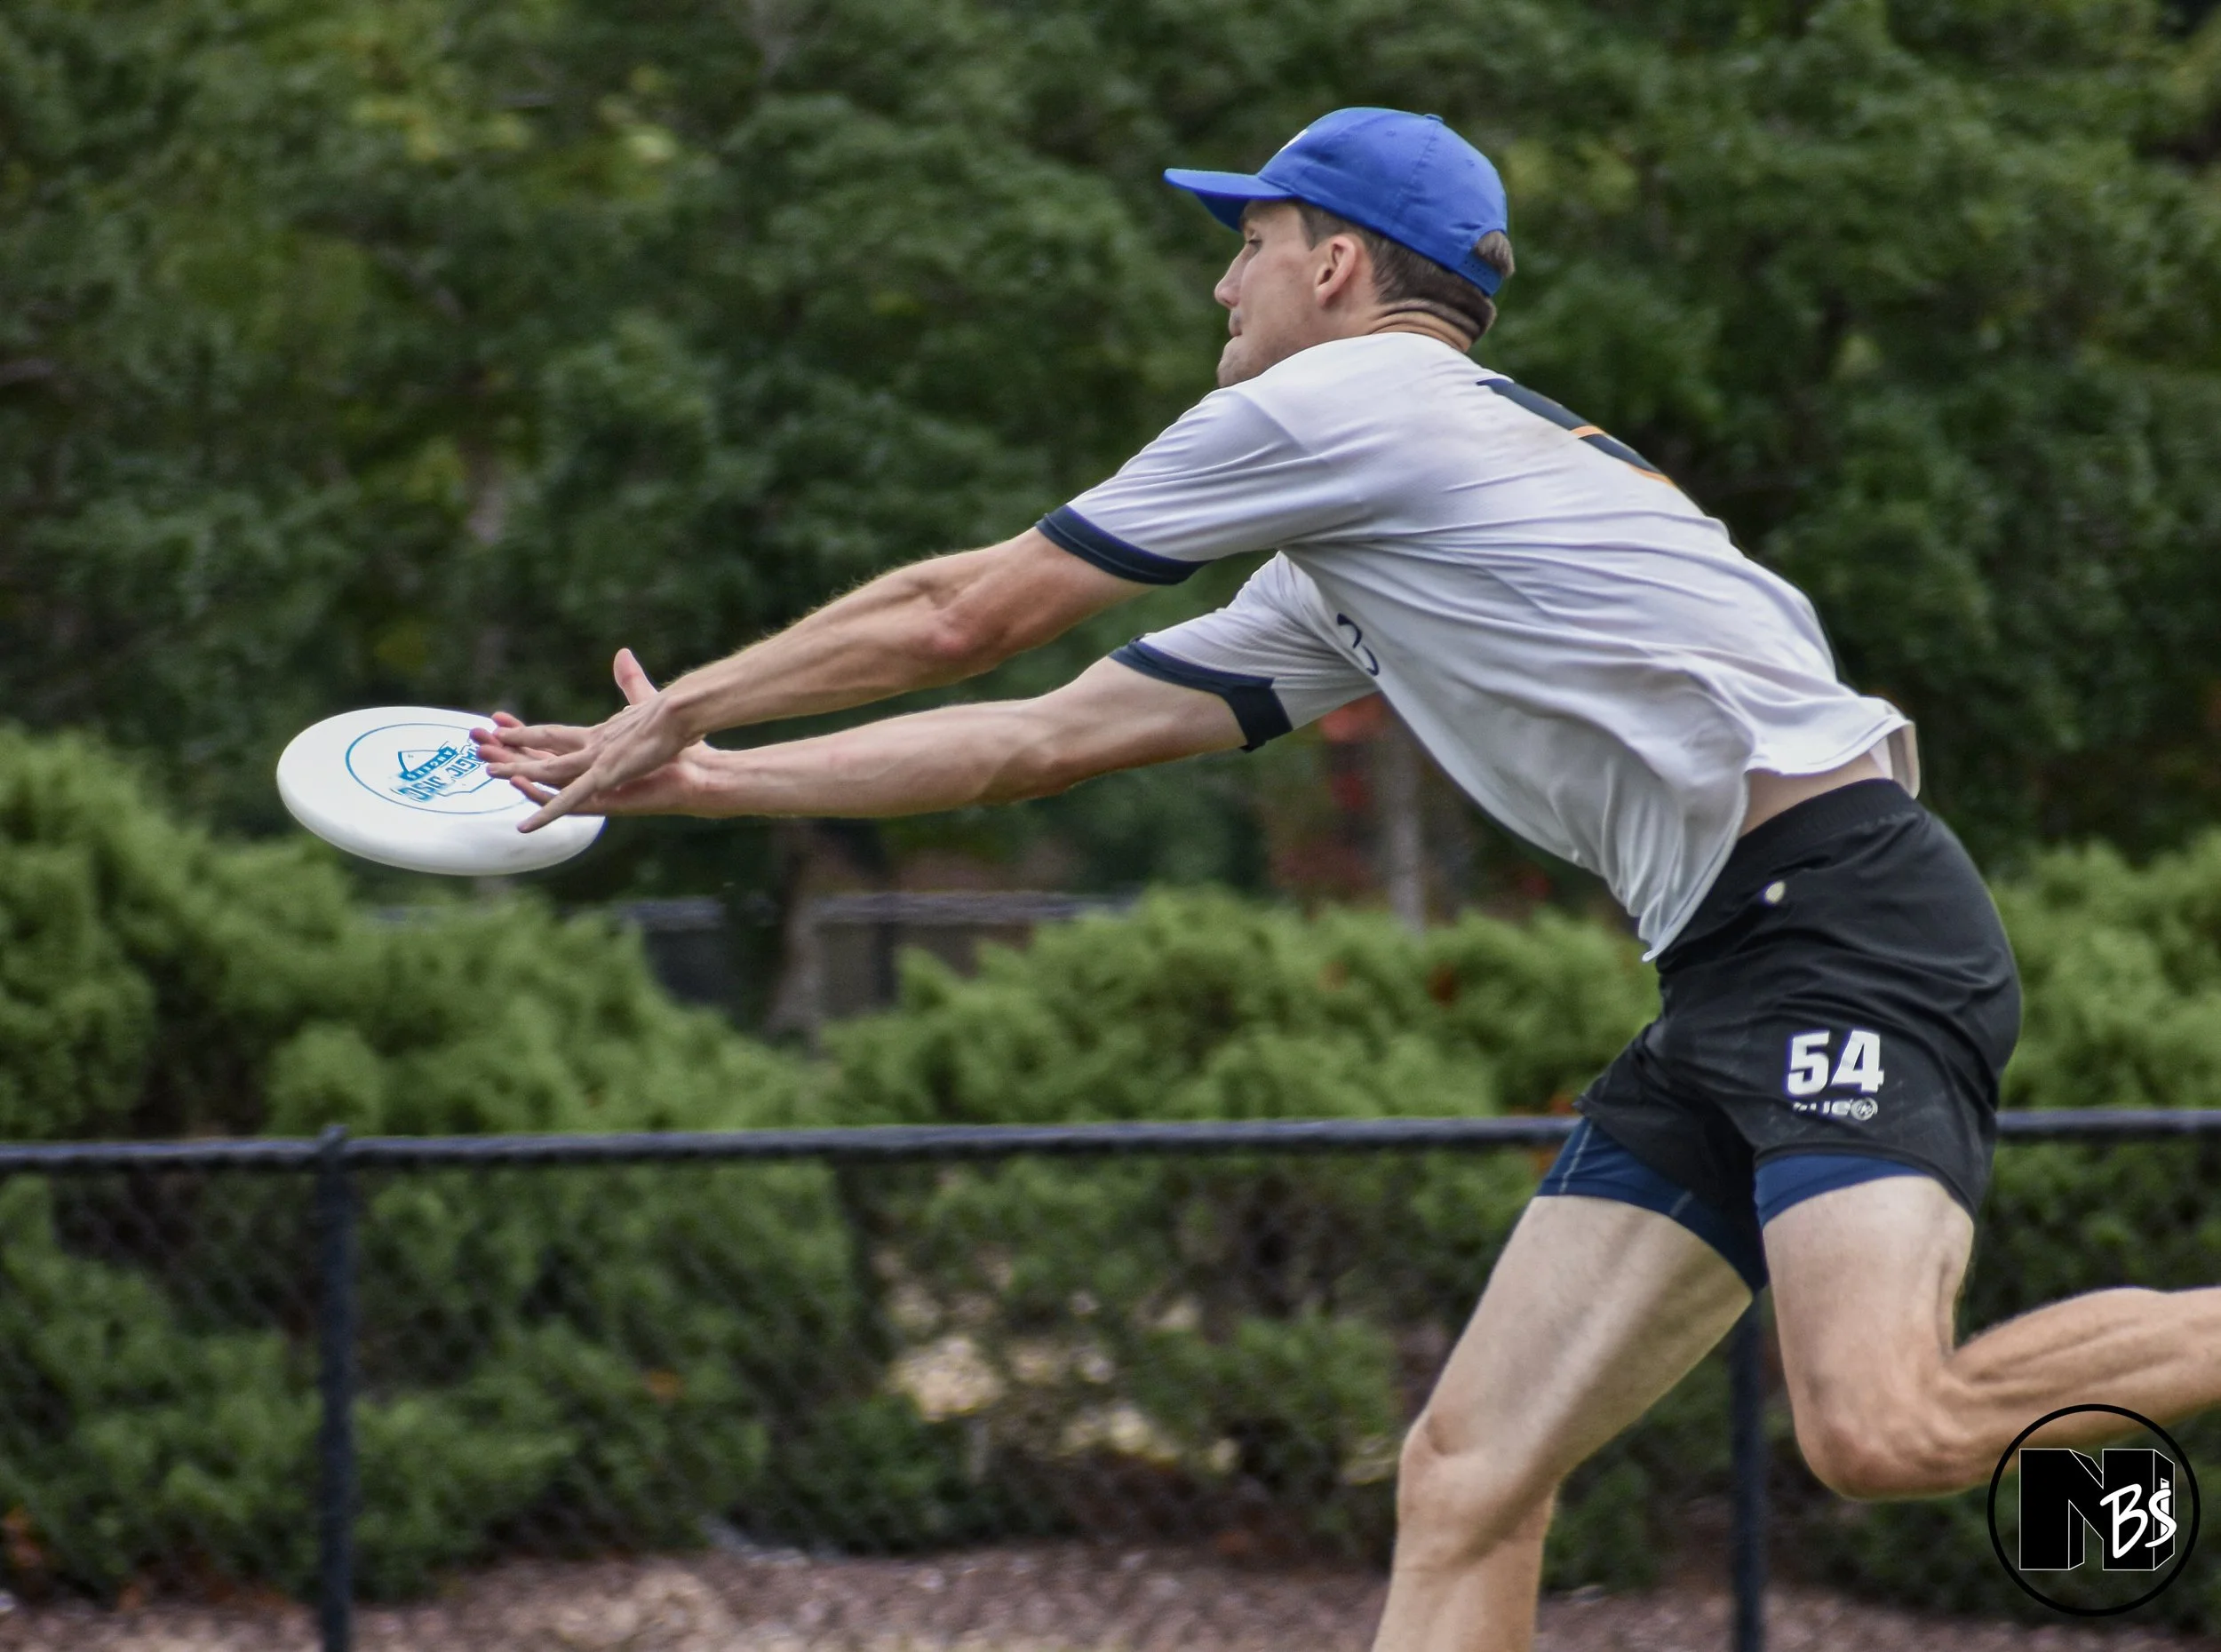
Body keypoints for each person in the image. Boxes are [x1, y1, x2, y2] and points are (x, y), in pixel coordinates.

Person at [474, 107, 2221, 1652]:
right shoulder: (1370, 536)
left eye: (1242, 245)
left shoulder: (1350, 401)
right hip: (1727, 968)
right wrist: (710, 782)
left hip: (1841, 928)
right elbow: (1042, 738)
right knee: (1465, 1476)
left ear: (1334, 265)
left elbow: (963, 617)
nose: (1218, 286)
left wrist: (691, 695)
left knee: (1883, 1428)